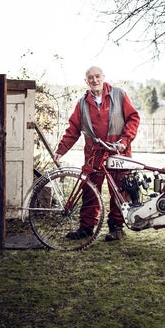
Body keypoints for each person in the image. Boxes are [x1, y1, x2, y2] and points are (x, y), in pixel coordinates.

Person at [53, 66, 141, 242]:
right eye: (90, 78)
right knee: (89, 190)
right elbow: (73, 130)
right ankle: (86, 228)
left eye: (97, 76)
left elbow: (133, 118)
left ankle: (116, 228)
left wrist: (125, 140)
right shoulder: (82, 103)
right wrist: (60, 150)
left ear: (103, 77)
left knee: (119, 190)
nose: (94, 80)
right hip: (94, 154)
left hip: (118, 152)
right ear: (86, 81)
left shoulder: (119, 95)